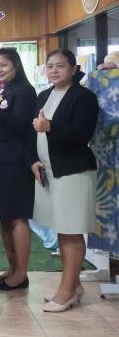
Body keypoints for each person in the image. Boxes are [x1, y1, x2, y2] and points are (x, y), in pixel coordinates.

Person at [29, 49, 99, 312]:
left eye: (60, 66)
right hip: (49, 172)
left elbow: (82, 134)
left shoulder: (84, 97)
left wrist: (51, 127)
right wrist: (32, 160)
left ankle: (67, 291)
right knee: (62, 230)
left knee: (71, 231)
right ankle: (73, 286)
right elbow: (32, 131)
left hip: (73, 173)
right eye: (50, 66)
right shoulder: (44, 95)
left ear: (73, 69)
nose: (54, 70)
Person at [0, 47, 36, 291]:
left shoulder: (25, 91)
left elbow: (23, 124)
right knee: (3, 217)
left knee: (17, 217)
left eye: (4, 65)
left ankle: (21, 273)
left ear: (16, 66)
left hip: (15, 163)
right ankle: (12, 269)